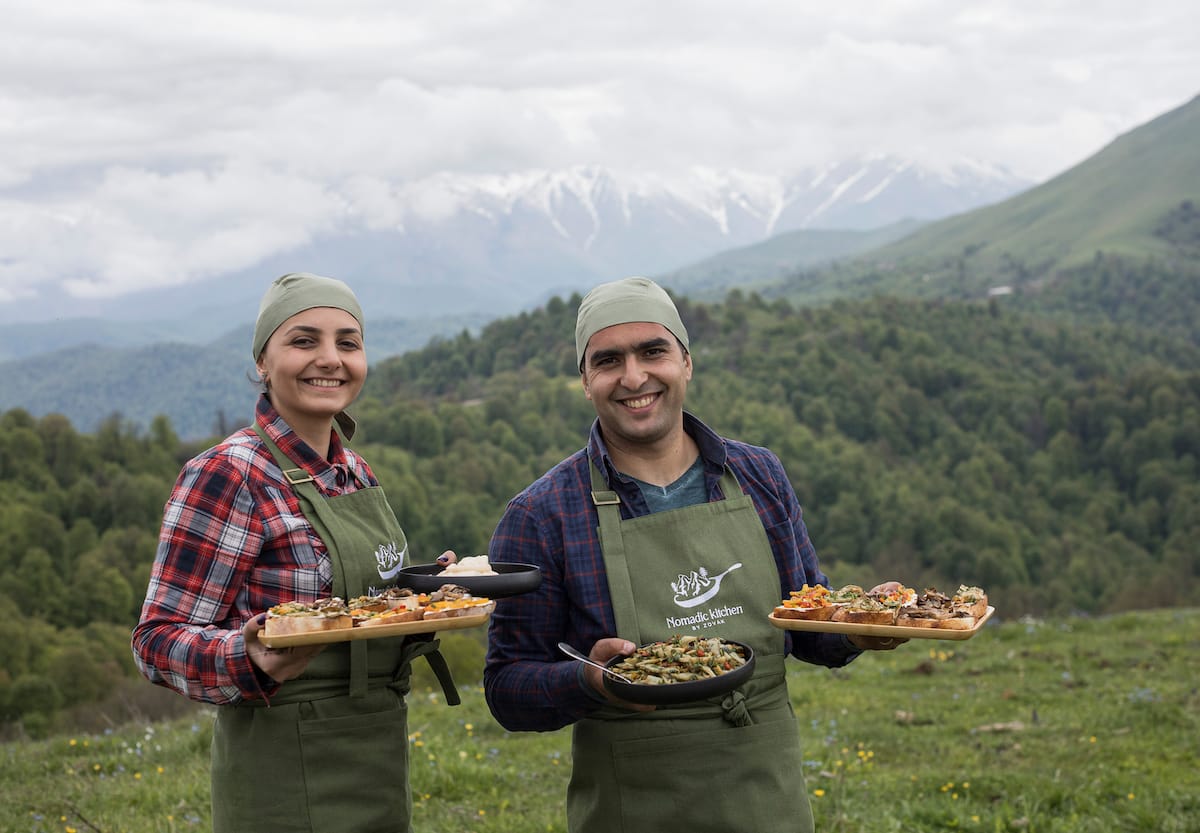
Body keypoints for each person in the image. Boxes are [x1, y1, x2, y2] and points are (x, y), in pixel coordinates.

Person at [483, 276, 907, 833]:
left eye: (652, 351)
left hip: (767, 799)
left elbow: (807, 627)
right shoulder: (542, 515)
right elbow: (508, 688)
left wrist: (858, 627)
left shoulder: (759, 476)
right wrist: (586, 681)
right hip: (634, 809)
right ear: (585, 381)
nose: (634, 377)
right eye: (609, 360)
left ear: (686, 362)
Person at [132, 272, 460, 833]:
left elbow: (354, 604)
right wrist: (248, 656)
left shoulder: (353, 470)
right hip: (280, 771)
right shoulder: (227, 474)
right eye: (304, 340)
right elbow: (156, 641)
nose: (329, 359)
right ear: (263, 361)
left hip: (375, 752)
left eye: (347, 343)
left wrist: (427, 593)